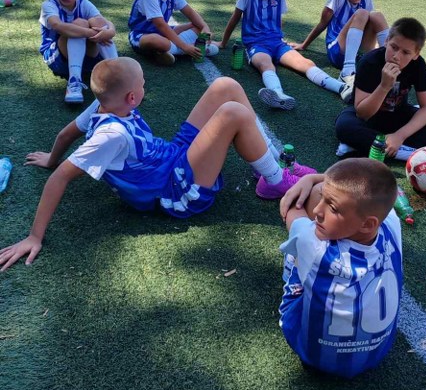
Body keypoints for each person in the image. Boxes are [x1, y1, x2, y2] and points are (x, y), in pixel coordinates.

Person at [0, 60, 316, 273]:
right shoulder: (111, 136)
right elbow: (60, 178)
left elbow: (67, 133)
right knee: (233, 113)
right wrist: (34, 237)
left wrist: (51, 156)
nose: (145, 86)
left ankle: (270, 164)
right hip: (176, 190)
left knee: (225, 86)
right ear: (133, 97)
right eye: (143, 83)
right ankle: (275, 180)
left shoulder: (103, 104)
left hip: (172, 158)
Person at [278, 158, 402, 378]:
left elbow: (289, 209)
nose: (318, 210)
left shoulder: (315, 247)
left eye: (333, 208)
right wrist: (318, 181)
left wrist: (310, 180)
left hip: (313, 356)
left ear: (368, 224)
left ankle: (294, 279)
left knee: (297, 245)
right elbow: (379, 190)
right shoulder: (392, 224)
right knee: (325, 191)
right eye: (323, 200)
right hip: (376, 353)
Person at [217, 0, 352, 110]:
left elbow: (278, 19)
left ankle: (342, 88)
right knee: (265, 64)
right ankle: (278, 94)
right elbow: (235, 18)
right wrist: (223, 42)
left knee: (306, 63)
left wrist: (280, 39)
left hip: (277, 43)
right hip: (256, 44)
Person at [335, 17, 426, 160]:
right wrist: (384, 86)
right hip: (369, 119)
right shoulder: (369, 62)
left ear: (416, 54)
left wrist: (399, 136)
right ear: (386, 41)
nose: (396, 56)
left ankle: (372, 147)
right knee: (345, 126)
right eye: (394, 47)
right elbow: (362, 113)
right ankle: (403, 153)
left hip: (398, 115)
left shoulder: (418, 65)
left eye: (406, 53)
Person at [292, 0, 389, 101]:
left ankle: (388, 63)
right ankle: (347, 72)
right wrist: (304, 45)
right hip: (337, 51)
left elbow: (370, 25)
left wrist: (377, 47)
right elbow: (322, 23)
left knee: (377, 15)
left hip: (358, 53)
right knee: (362, 13)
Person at [39, 0, 118, 104]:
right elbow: (57, 25)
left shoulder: (84, 3)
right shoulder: (49, 5)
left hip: (87, 60)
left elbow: (104, 23)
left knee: (98, 23)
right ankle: (74, 82)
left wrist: (110, 31)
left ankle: (118, 74)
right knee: (80, 23)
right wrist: (90, 33)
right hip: (58, 59)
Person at [128, 0, 219, 66]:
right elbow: (161, 25)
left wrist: (205, 28)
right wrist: (185, 47)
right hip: (142, 35)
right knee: (159, 41)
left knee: (199, 26)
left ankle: (165, 52)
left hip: (163, 34)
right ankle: (191, 49)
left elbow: (190, 13)